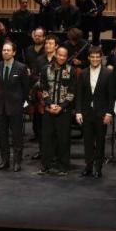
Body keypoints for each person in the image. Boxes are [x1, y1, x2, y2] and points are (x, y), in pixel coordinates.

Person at [76, 46, 114, 178]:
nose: (95, 59)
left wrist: (109, 113)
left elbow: (111, 96)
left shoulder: (108, 73)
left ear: (101, 58)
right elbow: (79, 94)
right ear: (88, 58)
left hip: (102, 113)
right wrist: (78, 112)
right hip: (86, 113)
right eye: (92, 57)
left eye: (98, 57)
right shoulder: (83, 73)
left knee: (100, 142)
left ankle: (98, 168)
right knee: (87, 141)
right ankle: (88, 167)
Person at [38, 46, 77, 176]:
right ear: (56, 54)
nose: (61, 57)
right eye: (59, 55)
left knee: (63, 139)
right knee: (47, 138)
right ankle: (45, 165)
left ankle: (63, 166)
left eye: (64, 56)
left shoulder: (71, 71)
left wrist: (62, 106)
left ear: (67, 57)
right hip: (49, 109)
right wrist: (49, 104)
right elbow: (43, 88)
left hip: (64, 111)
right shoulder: (45, 69)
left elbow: (72, 91)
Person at [0, 41, 29, 172]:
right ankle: (5, 161)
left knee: (17, 135)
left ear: (14, 52)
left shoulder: (21, 67)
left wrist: (22, 101)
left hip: (15, 106)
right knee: (2, 135)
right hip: (1, 106)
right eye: (4, 50)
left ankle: (17, 162)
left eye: (8, 50)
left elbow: (26, 87)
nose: (5, 52)